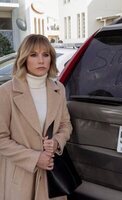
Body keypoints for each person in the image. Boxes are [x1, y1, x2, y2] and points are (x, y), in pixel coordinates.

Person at [0, 34, 72, 200]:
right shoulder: (6, 92)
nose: (41, 60)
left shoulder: (58, 88)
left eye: (45, 55)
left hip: (51, 178)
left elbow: (65, 125)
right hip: (20, 177)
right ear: (24, 58)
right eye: (34, 55)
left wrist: (56, 142)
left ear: (51, 58)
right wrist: (34, 158)